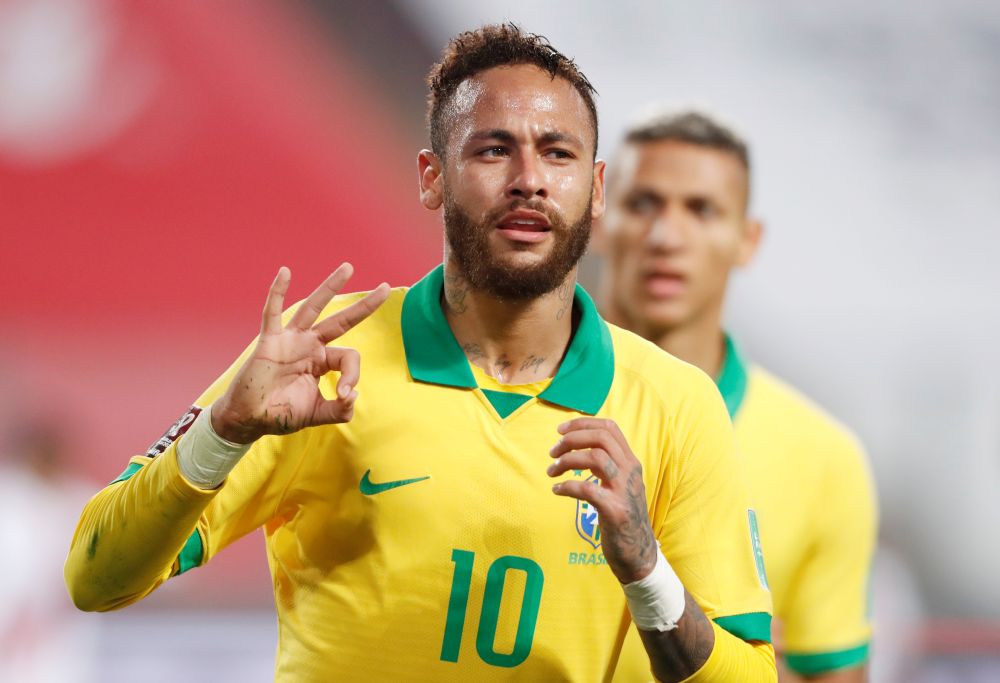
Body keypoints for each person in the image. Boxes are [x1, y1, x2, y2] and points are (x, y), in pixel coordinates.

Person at [65, 26, 776, 682]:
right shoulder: (322, 363)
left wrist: (648, 571)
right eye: (494, 148)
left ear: (594, 191)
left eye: (557, 152)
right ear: (432, 176)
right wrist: (224, 432)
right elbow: (95, 576)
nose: (528, 178)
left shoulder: (674, 405)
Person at [597, 110, 877, 682]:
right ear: (598, 218)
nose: (666, 236)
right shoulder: (513, 397)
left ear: (747, 240)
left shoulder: (825, 459)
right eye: (643, 203)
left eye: (701, 210)